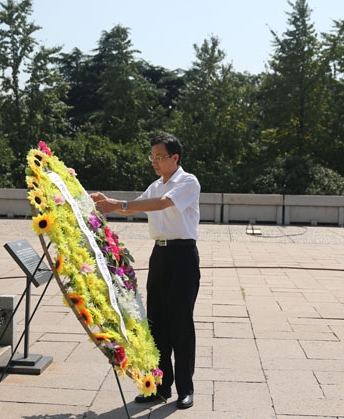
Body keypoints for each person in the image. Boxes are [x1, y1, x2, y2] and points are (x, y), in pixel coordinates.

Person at [91, 133, 201, 410]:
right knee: (156, 325)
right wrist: (108, 202)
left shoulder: (187, 182)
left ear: (174, 158)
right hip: (160, 256)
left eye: (159, 157)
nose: (154, 162)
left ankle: (185, 389)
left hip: (182, 256)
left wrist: (121, 205)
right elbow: (133, 208)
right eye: (152, 157)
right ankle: (160, 387)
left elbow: (163, 203)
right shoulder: (155, 185)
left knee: (181, 324)